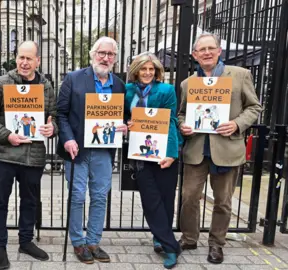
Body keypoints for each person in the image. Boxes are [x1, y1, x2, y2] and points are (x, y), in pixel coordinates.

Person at [178, 32, 262, 264]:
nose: (206, 53)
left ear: (219, 51)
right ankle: (189, 238)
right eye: (201, 50)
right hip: (196, 149)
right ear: (194, 55)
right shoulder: (188, 83)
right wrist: (183, 125)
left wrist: (236, 124)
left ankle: (216, 244)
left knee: (223, 201)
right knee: (188, 198)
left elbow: (254, 107)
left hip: (227, 149)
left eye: (210, 49)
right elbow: (181, 113)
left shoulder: (240, 75)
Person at [0, 41, 57, 270]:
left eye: (29, 58)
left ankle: (25, 241)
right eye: (20, 57)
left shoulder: (46, 86)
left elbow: (55, 116)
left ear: (37, 61)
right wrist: (7, 135)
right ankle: (0, 246)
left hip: (33, 158)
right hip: (4, 156)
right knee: (0, 202)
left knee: (30, 201)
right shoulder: (2, 82)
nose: (24, 62)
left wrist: (53, 129)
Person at [57, 36, 127, 264]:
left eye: (110, 54)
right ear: (93, 54)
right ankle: (78, 242)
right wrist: (67, 139)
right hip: (77, 149)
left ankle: (94, 241)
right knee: (77, 196)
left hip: (104, 150)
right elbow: (61, 114)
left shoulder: (118, 84)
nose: (106, 58)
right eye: (102, 53)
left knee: (99, 197)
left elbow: (123, 116)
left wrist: (124, 125)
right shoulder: (73, 79)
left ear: (115, 59)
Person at [125, 52, 182, 269]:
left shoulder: (166, 90)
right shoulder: (128, 91)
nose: (148, 73)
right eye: (143, 69)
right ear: (136, 71)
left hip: (164, 152)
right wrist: (127, 123)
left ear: (157, 71)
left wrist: (171, 153)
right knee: (150, 200)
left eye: (151, 69)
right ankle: (170, 245)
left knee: (166, 199)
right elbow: (121, 116)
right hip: (140, 153)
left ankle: (163, 241)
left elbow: (171, 120)